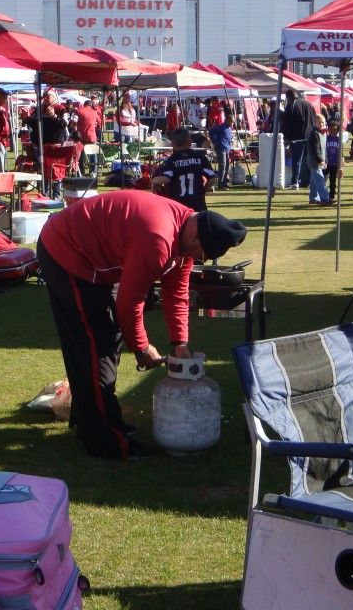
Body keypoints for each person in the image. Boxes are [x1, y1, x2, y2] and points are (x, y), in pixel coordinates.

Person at [36, 190, 247, 459]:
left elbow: (177, 293)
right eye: (200, 253)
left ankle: (91, 420)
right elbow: (129, 302)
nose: (198, 258)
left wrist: (179, 343)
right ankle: (106, 440)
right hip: (67, 252)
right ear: (194, 237)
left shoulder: (184, 232)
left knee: (106, 340)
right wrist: (142, 347)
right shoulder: (159, 237)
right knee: (94, 345)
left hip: (94, 258)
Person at [151, 128, 216, 211]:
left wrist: (153, 181)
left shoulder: (172, 160)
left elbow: (165, 178)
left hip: (178, 207)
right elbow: (212, 179)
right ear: (189, 141)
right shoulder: (200, 157)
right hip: (198, 205)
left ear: (173, 144)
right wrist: (202, 191)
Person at [281, 89, 314, 189]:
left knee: (296, 160)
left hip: (297, 137)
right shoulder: (309, 104)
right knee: (308, 160)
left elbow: (287, 123)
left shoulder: (291, 105)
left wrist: (286, 137)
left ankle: (295, 182)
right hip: (309, 136)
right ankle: (307, 181)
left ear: (288, 97)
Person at [305, 114, 330, 205]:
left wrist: (325, 159)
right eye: (319, 123)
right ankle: (325, 198)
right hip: (314, 161)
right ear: (315, 123)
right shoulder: (314, 134)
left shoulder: (323, 134)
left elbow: (324, 148)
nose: (321, 125)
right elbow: (314, 149)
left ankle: (313, 198)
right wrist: (320, 160)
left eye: (323, 123)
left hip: (320, 160)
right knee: (320, 180)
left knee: (313, 180)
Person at [208, 116, 234, 189]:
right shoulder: (221, 127)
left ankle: (224, 182)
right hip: (220, 148)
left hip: (226, 148)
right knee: (222, 166)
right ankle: (220, 184)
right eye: (232, 122)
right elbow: (211, 131)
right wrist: (214, 141)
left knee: (227, 166)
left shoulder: (229, 128)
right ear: (227, 121)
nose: (233, 124)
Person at [324, 120, 342, 201]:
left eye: (335, 129)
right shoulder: (325, 138)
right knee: (322, 178)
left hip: (334, 163)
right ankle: (323, 193)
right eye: (330, 129)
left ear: (338, 130)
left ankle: (332, 195)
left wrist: (340, 163)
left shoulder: (339, 140)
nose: (332, 131)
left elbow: (340, 152)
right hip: (326, 162)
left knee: (333, 180)